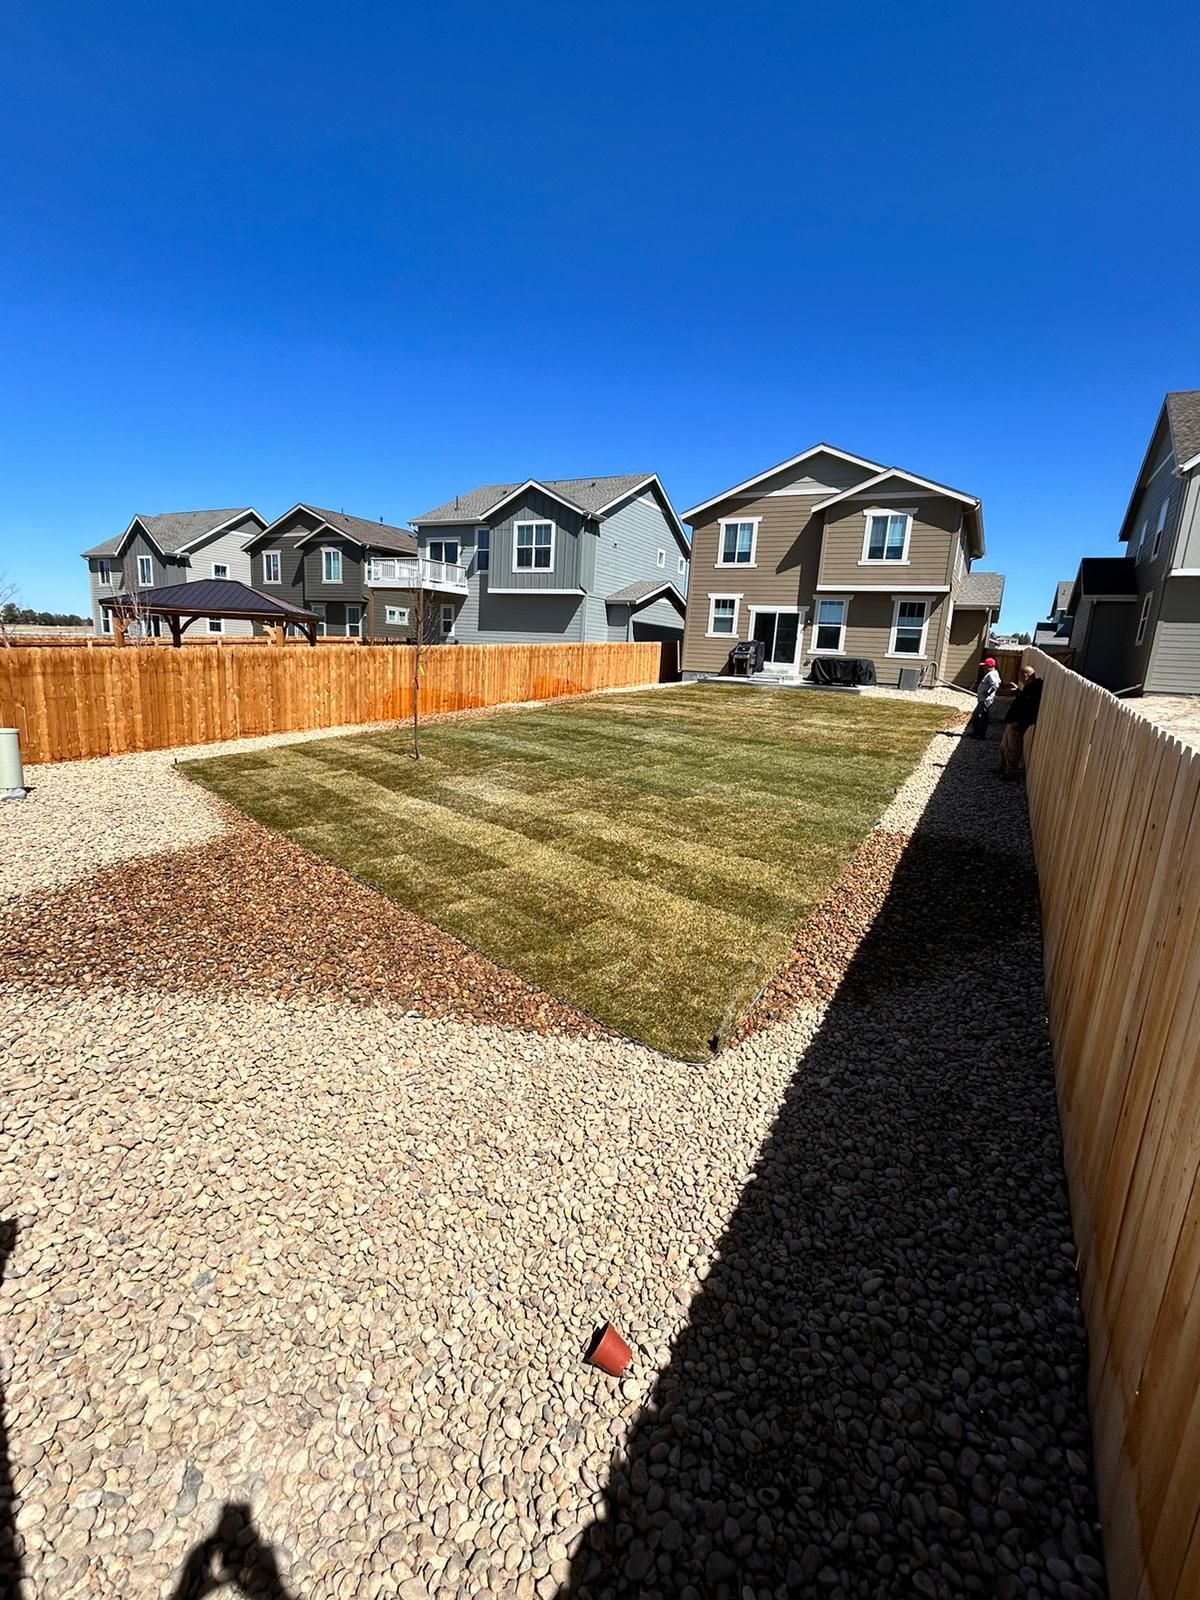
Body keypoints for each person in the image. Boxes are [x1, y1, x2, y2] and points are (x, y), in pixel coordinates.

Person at [998, 665, 1043, 778]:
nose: (1020, 679)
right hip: (1013, 720)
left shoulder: (1033, 690)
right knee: (1004, 745)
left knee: (1013, 747)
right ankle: (1003, 766)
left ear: (1026, 676)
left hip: (1018, 723)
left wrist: (1020, 722)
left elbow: (1029, 709)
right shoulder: (1029, 688)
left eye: (1020, 676)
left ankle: (1011, 771)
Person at [967, 656, 1001, 739]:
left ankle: (981, 735)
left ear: (990, 666)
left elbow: (996, 685)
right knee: (975, 716)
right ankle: (976, 732)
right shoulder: (993, 673)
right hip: (983, 699)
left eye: (985, 666)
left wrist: (988, 693)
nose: (984, 667)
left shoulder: (991, 674)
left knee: (982, 717)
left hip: (986, 700)